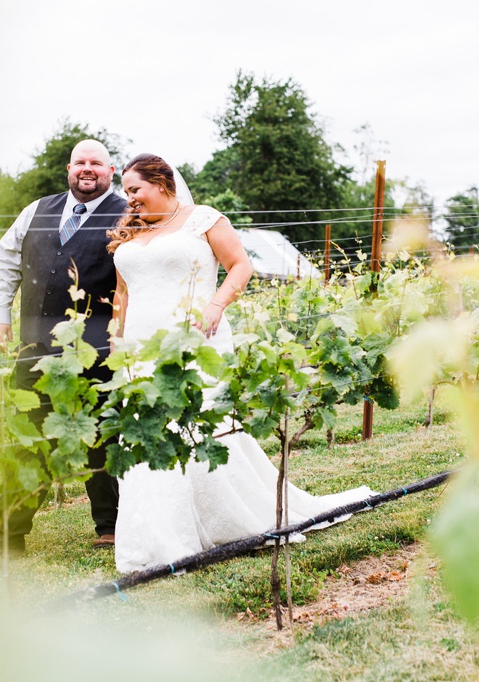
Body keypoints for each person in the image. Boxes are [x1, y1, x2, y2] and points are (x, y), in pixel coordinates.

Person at [107, 153, 374, 573]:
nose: (130, 198)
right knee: (145, 433)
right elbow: (123, 293)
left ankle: (220, 522)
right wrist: (115, 338)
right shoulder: (130, 231)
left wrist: (215, 305)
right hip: (140, 347)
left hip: (196, 339)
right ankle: (156, 538)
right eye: (127, 192)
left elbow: (240, 266)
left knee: (195, 428)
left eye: (136, 189)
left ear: (162, 182)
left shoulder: (203, 219)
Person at [0, 139, 125, 558]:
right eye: (81, 162)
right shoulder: (37, 210)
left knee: (99, 433)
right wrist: (0, 314)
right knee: (29, 436)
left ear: (111, 170)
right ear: (69, 169)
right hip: (34, 345)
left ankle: (113, 526)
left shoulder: (128, 213)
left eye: (97, 163)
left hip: (97, 347)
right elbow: (8, 258)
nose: (88, 169)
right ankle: (7, 537)